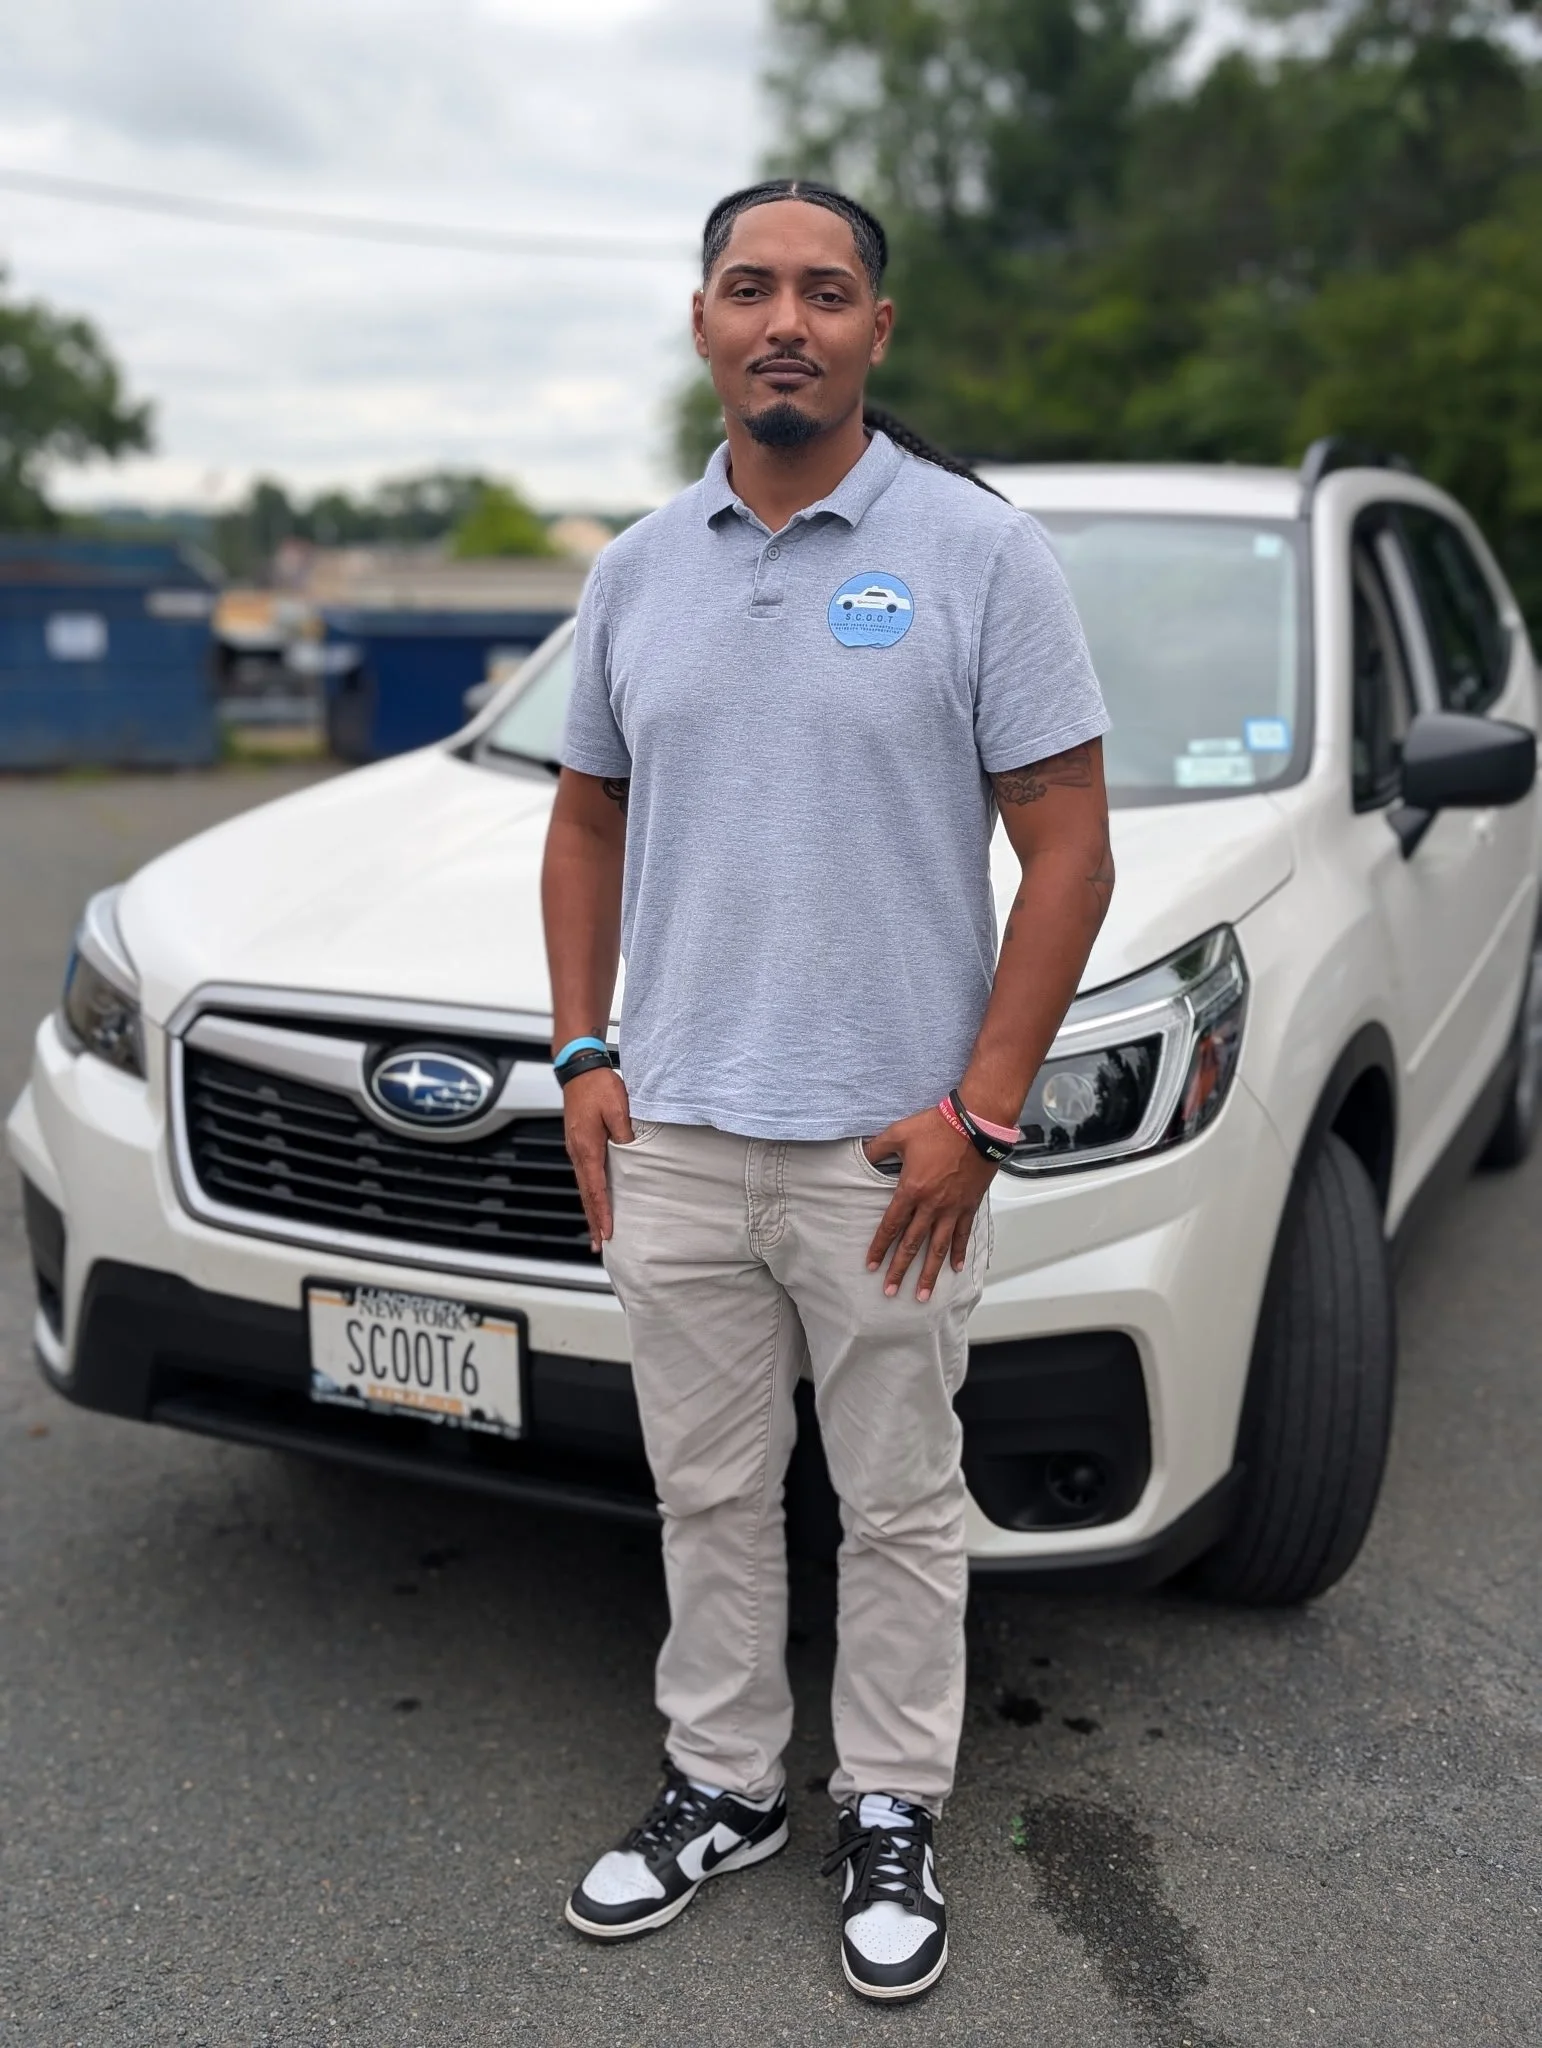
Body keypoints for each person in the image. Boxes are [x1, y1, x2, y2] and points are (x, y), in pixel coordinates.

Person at [541, 178, 1112, 2002]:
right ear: (701, 321)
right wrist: (580, 1052)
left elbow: (1071, 842)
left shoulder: (974, 554)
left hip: (891, 1152)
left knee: (896, 1499)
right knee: (705, 1492)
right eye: (749, 287)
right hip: (684, 1135)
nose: (785, 318)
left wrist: (984, 1112)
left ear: (878, 328)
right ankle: (721, 1783)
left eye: (827, 290)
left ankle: (887, 1800)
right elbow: (584, 817)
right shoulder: (636, 571)